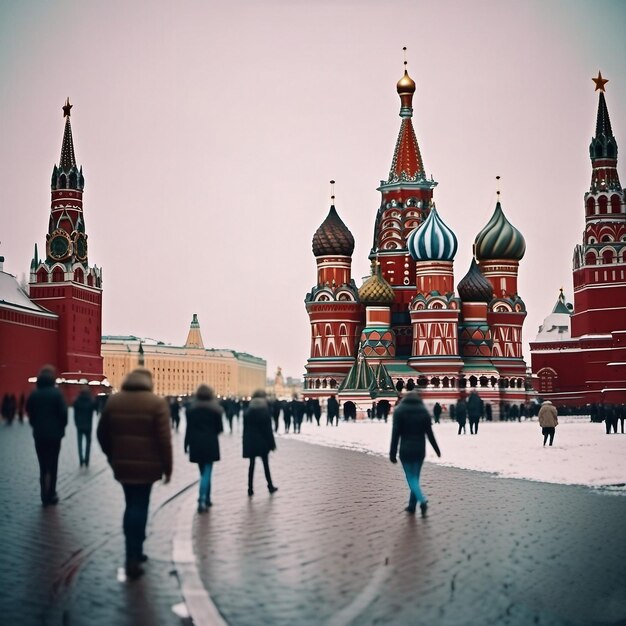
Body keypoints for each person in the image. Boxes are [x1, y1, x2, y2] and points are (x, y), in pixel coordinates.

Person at [97, 368, 172, 580]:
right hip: (148, 469)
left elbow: (102, 434)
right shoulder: (157, 403)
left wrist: (112, 457)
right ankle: (135, 555)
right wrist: (167, 468)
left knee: (130, 505)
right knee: (140, 507)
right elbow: (164, 441)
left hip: (122, 467)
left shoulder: (114, 401)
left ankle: (133, 552)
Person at [389, 391, 441, 516]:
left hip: (405, 450)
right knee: (415, 478)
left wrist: (392, 453)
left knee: (411, 478)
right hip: (419, 450)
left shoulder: (399, 411)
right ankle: (412, 506)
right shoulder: (423, 412)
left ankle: (422, 500)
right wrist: (437, 449)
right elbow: (430, 434)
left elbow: (395, 434)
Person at [26, 366, 68, 506]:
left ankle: (43, 495)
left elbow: (29, 412)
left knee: (43, 466)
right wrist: (61, 428)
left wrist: (35, 425)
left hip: (39, 435)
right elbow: (64, 414)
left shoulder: (34, 394)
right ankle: (52, 494)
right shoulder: (57, 394)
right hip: (55, 436)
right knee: (53, 464)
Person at [184, 385, 223, 513]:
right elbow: (219, 429)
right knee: (207, 472)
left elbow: (188, 429)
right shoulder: (216, 410)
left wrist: (186, 444)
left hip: (195, 443)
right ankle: (202, 499)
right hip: (210, 443)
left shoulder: (191, 410)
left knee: (203, 473)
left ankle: (207, 498)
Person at [243, 390, 278, 497]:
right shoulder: (265, 411)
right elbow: (268, 431)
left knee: (251, 465)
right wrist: (272, 444)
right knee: (266, 465)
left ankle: (250, 488)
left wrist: (245, 444)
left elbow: (245, 431)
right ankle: (270, 486)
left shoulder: (248, 411)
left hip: (251, 442)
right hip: (263, 442)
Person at [73, 385, 95, 467]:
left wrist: (76, 422)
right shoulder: (91, 400)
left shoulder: (77, 401)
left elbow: (75, 414)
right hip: (88, 425)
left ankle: (81, 460)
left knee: (79, 443)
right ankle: (87, 460)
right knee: (88, 443)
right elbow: (94, 409)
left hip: (79, 425)